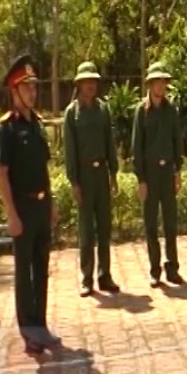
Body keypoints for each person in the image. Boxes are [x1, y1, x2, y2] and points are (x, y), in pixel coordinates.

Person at [0, 54, 61, 354]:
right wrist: (11, 214)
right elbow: (2, 174)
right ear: (14, 90)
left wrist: (52, 203)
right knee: (24, 273)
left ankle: (41, 326)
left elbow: (43, 170)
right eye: (27, 87)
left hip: (41, 205)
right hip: (21, 208)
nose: (33, 92)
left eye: (34, 87)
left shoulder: (36, 124)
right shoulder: (7, 129)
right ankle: (29, 332)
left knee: (41, 267)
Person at [63, 62, 121, 297]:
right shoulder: (72, 113)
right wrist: (74, 182)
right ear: (79, 84)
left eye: (94, 81)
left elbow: (110, 142)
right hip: (84, 176)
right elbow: (70, 150)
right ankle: (87, 278)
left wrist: (114, 173)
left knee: (104, 227)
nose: (90, 86)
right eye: (86, 82)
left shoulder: (103, 110)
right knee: (86, 230)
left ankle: (104, 275)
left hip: (101, 173)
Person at [131, 61, 184, 287]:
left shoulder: (171, 110)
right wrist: (141, 179)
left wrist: (178, 171)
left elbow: (177, 141)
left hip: (167, 171)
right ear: (151, 84)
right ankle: (155, 270)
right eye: (158, 82)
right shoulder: (141, 111)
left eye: (164, 82)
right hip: (150, 173)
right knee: (151, 224)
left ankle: (172, 268)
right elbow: (136, 148)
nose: (161, 86)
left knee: (170, 223)